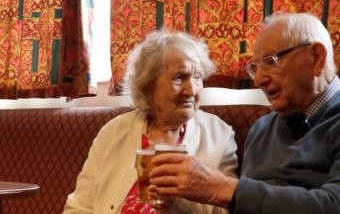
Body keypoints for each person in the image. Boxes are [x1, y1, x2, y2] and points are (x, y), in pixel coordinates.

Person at [149, 13, 340, 214]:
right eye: (254, 68)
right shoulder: (262, 128)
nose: (258, 79)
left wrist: (222, 189)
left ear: (316, 57)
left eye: (270, 61)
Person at [63, 29, 238, 214]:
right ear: (148, 85)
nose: (191, 90)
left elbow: (228, 207)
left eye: (197, 77)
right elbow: (79, 207)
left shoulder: (219, 135)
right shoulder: (114, 132)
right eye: (180, 77)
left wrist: (179, 203)